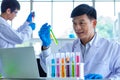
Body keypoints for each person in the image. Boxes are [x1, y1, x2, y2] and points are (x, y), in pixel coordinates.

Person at [38, 4, 120, 80]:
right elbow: (50, 70)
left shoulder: (112, 48)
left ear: (94, 23)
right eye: (74, 23)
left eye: (81, 23)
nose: (77, 28)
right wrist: (46, 47)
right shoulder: (68, 48)